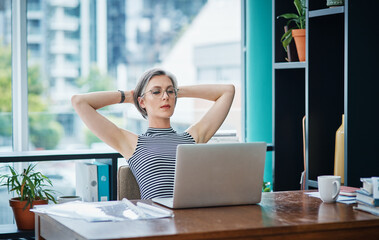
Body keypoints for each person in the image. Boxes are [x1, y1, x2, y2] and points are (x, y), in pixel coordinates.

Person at [71, 68, 235, 199]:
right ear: (142, 101)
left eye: (170, 92)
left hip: (193, 220)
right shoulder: (131, 142)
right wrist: (130, 96)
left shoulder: (193, 137)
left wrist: (177, 91)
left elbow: (227, 91)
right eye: (156, 92)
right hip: (156, 223)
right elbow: (80, 102)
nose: (165, 97)